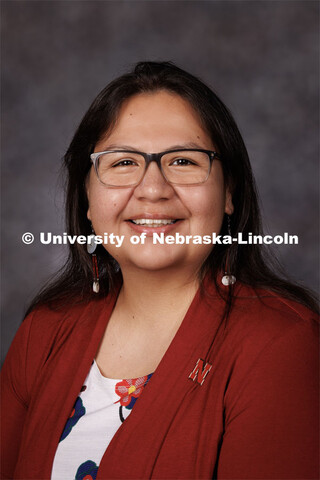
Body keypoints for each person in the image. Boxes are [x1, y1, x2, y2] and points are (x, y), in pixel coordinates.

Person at [1, 61, 318, 480]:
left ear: (228, 194)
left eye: (184, 161)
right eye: (123, 163)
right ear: (88, 201)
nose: (153, 189)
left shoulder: (281, 343)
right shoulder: (44, 331)